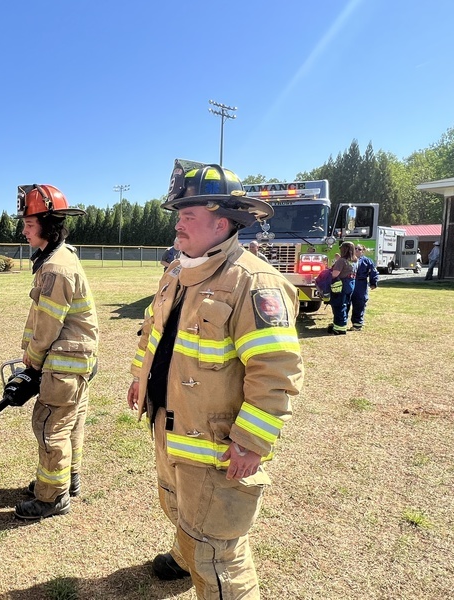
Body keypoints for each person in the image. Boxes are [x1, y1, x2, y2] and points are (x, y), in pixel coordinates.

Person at [127, 161, 303, 598]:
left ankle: (199, 554)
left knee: (219, 551)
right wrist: (139, 378)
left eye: (188, 216)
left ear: (221, 221)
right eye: (178, 215)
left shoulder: (252, 282)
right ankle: (186, 554)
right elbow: (154, 332)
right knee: (180, 503)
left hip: (218, 445)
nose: (178, 225)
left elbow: (276, 371)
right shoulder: (177, 272)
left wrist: (251, 441)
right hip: (172, 426)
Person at [13, 184, 99, 520]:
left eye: (29, 225)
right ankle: (68, 480)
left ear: (48, 226)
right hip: (77, 360)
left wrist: (32, 359)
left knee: (50, 426)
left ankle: (51, 498)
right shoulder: (60, 257)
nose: (23, 231)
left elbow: (47, 324)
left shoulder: (55, 267)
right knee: (70, 421)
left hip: (64, 362)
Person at [326, 241, 358, 336]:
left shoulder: (341, 261)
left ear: (344, 249)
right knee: (346, 305)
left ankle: (339, 328)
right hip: (351, 284)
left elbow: (335, 274)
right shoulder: (355, 261)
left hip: (341, 286)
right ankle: (342, 325)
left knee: (339, 306)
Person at [351, 245, 378, 330]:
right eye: (355, 249)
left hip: (360, 284)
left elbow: (373, 272)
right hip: (349, 282)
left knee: (360, 303)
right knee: (345, 303)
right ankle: (341, 323)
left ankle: (357, 324)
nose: (356, 250)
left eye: (359, 249)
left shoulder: (367, 261)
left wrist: (373, 283)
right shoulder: (347, 259)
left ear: (363, 251)